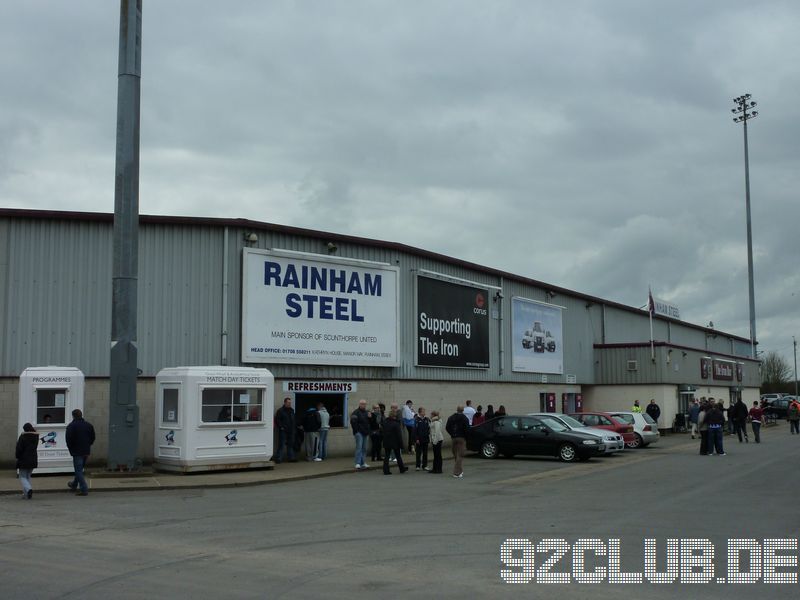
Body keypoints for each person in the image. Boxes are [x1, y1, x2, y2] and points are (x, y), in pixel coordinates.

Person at [65, 409, 95, 496]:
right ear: (81, 415)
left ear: (73, 416)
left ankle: (84, 489)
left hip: (76, 451)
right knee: (80, 469)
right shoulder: (89, 425)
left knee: (78, 470)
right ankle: (74, 484)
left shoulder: (71, 426)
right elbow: (93, 437)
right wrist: (88, 445)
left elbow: (68, 439)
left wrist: (71, 448)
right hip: (86, 450)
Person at [445, 405, 470, 478]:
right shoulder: (464, 418)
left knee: (456, 454)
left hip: (454, 437)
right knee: (460, 455)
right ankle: (456, 472)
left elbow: (447, 427)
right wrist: (466, 437)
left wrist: (452, 433)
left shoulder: (451, 417)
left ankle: (460, 471)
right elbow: (467, 429)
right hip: (461, 437)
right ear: (463, 411)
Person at [16, 423, 38, 499]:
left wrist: (17, 456)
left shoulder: (23, 437)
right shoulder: (36, 436)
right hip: (33, 459)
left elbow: (19, 448)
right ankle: (25, 494)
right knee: (28, 476)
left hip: (23, 459)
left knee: (22, 476)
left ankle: (29, 489)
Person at [382, 408, 407, 475]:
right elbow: (399, 435)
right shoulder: (396, 424)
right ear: (394, 416)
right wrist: (401, 445)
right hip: (395, 442)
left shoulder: (385, 422)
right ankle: (402, 468)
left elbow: (383, 432)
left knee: (387, 456)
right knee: (398, 456)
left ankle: (385, 470)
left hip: (387, 441)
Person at [350, 400, 371, 470]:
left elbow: (370, 422)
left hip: (365, 432)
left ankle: (363, 462)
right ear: (359, 404)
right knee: (359, 447)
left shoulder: (367, 412)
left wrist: (370, 418)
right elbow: (353, 422)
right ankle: (357, 463)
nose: (363, 405)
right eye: (362, 404)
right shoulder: (356, 412)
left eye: (365, 404)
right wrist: (356, 431)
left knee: (364, 448)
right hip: (359, 432)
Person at [275, 398, 297, 463]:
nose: (289, 404)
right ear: (285, 403)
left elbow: (294, 419)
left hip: (291, 430)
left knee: (290, 444)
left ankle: (291, 458)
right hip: (283, 430)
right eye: (288, 402)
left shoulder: (292, 410)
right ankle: (279, 458)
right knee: (281, 444)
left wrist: (294, 428)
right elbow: (277, 420)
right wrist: (281, 427)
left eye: (290, 403)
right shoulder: (280, 411)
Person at [414, 407, 431, 471]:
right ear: (420, 412)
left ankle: (425, 465)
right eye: (423, 411)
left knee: (425, 453)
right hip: (419, 439)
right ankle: (417, 466)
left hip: (425, 439)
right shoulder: (416, 419)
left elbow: (429, 428)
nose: (425, 412)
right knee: (418, 453)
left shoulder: (426, 419)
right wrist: (416, 439)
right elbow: (415, 430)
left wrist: (428, 434)